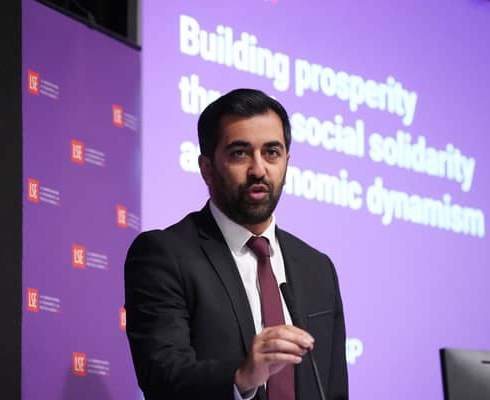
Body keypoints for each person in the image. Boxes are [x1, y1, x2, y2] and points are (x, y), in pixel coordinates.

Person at [125, 88, 348, 400]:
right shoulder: (164, 255)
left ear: (286, 161)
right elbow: (162, 376)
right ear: (206, 168)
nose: (258, 169)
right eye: (240, 153)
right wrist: (242, 375)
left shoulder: (317, 268)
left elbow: (334, 388)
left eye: (272, 152)